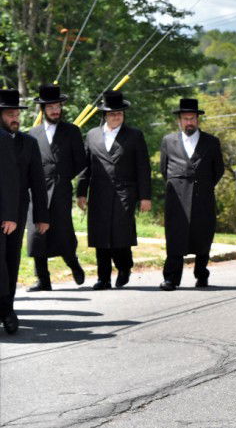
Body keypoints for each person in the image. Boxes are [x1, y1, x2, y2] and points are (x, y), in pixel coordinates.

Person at [76, 90, 151, 290]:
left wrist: (145, 197)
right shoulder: (92, 135)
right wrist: (81, 192)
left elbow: (143, 167)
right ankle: (103, 278)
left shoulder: (134, 135)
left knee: (120, 233)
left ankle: (124, 267)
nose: (116, 116)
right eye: (111, 113)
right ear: (104, 115)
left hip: (125, 192)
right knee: (100, 236)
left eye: (119, 113)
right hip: (99, 192)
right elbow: (86, 167)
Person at [159, 98, 224, 290]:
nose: (189, 122)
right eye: (186, 119)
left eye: (193, 118)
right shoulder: (168, 141)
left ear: (198, 119)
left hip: (203, 197)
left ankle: (201, 274)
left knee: (203, 237)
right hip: (176, 199)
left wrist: (203, 186)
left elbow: (218, 170)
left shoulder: (211, 142)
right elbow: (164, 169)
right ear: (179, 120)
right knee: (175, 238)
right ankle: (171, 278)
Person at [26, 84, 87, 290]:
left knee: (63, 233)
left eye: (58, 106)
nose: (55, 110)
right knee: (36, 235)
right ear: (43, 109)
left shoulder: (71, 131)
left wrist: (71, 184)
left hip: (61, 190)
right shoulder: (32, 134)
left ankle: (73, 263)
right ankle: (43, 279)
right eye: (51, 107)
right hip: (37, 191)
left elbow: (81, 163)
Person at [0, 90, 48, 334]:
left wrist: (41, 217)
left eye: (17, 114)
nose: (15, 118)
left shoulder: (29, 143)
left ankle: (8, 308)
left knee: (11, 260)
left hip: (16, 210)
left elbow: (38, 182)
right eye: (10, 114)